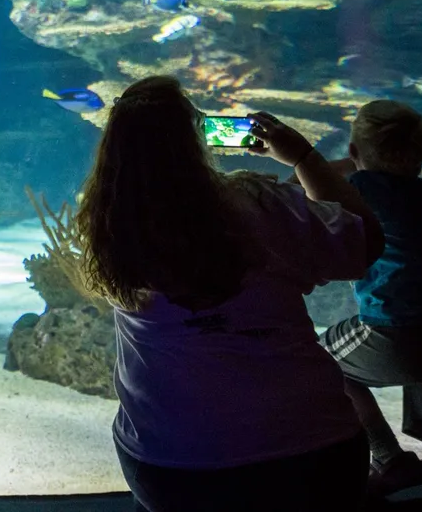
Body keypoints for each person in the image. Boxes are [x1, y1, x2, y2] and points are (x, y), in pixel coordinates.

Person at [77, 76, 385, 512]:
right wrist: (302, 156)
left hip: (170, 463)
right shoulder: (259, 204)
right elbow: (365, 243)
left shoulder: (109, 227)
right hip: (308, 447)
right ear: (195, 138)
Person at [316, 100, 422, 509]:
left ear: (352, 152)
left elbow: (317, 189)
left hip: (395, 329)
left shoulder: (364, 190)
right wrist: (358, 162)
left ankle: (388, 457)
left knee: (315, 359)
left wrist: (303, 158)